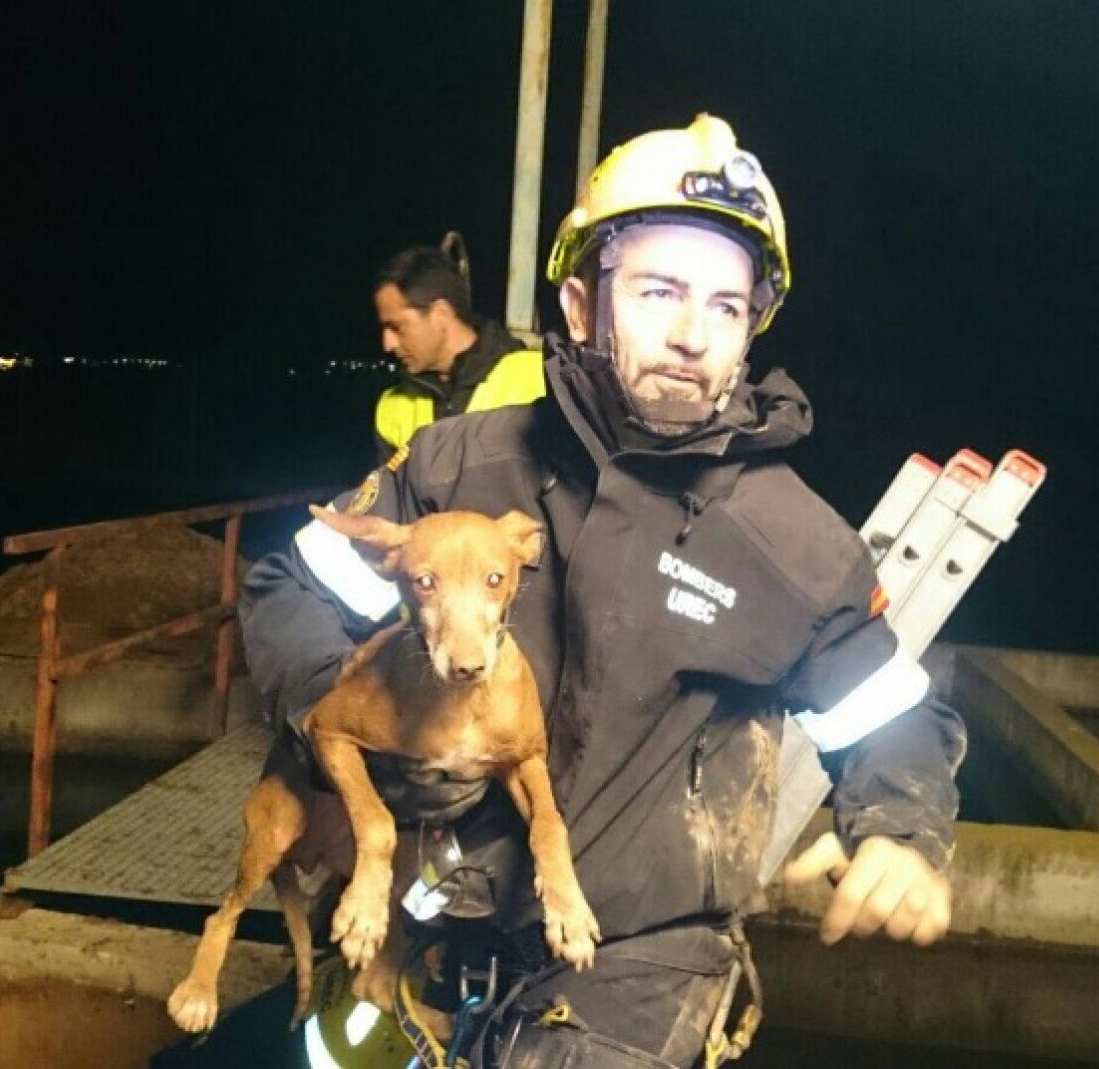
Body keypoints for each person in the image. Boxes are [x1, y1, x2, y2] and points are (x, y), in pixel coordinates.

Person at [239, 114, 966, 1068]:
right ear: (583, 306)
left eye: (727, 306)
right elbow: (290, 582)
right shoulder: (458, 465)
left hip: (635, 971)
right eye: (659, 291)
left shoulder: (794, 546)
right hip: (417, 924)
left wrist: (903, 829)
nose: (690, 335)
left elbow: (888, 714)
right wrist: (334, 738)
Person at [371, 240, 546, 458]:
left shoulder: (539, 378)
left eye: (396, 327)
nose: (388, 344)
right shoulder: (392, 408)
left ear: (441, 314)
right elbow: (384, 490)